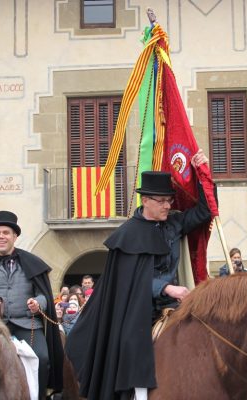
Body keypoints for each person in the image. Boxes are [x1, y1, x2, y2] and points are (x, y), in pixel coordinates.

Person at [66, 149, 215, 400]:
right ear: (145, 200)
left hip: (173, 304)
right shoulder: (128, 234)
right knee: (130, 345)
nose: (168, 205)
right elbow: (129, 282)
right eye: (161, 201)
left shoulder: (173, 223)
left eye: (169, 200)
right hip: (136, 309)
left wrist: (203, 175)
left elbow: (205, 211)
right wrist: (166, 288)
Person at [0, 210, 64, 399]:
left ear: (14, 236)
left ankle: (38, 396)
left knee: (42, 357)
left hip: (27, 324)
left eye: (5, 233)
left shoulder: (33, 263)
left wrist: (36, 304)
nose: (1, 237)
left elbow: (44, 296)